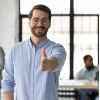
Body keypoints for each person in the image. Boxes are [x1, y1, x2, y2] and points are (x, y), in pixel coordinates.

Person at [2, 4, 66, 100]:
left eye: (44, 20)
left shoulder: (57, 48)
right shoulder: (15, 50)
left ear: (49, 23)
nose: (39, 24)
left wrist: (48, 64)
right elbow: (8, 82)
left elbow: (56, 62)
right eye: (35, 20)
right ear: (29, 22)